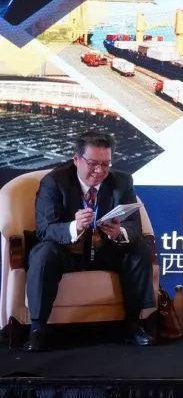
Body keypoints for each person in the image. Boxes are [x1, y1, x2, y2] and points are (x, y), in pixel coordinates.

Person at [24, 130, 155, 352]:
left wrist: (119, 231)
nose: (100, 171)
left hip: (106, 250)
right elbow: (45, 230)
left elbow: (134, 226)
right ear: (76, 159)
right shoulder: (54, 182)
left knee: (139, 249)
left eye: (106, 164)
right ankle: (37, 329)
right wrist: (74, 226)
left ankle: (134, 325)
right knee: (43, 254)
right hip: (68, 252)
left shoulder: (122, 181)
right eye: (93, 164)